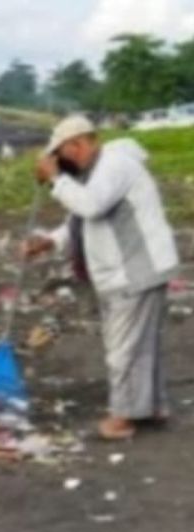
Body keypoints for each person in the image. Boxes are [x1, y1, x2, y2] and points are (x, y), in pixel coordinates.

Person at [24, 115, 180, 441]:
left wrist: (55, 179)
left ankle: (123, 418)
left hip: (136, 268)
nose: (62, 163)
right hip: (127, 269)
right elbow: (77, 220)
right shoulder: (94, 172)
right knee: (139, 344)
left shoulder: (115, 165)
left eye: (63, 154)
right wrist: (51, 241)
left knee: (123, 348)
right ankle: (152, 408)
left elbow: (91, 206)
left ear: (78, 144)